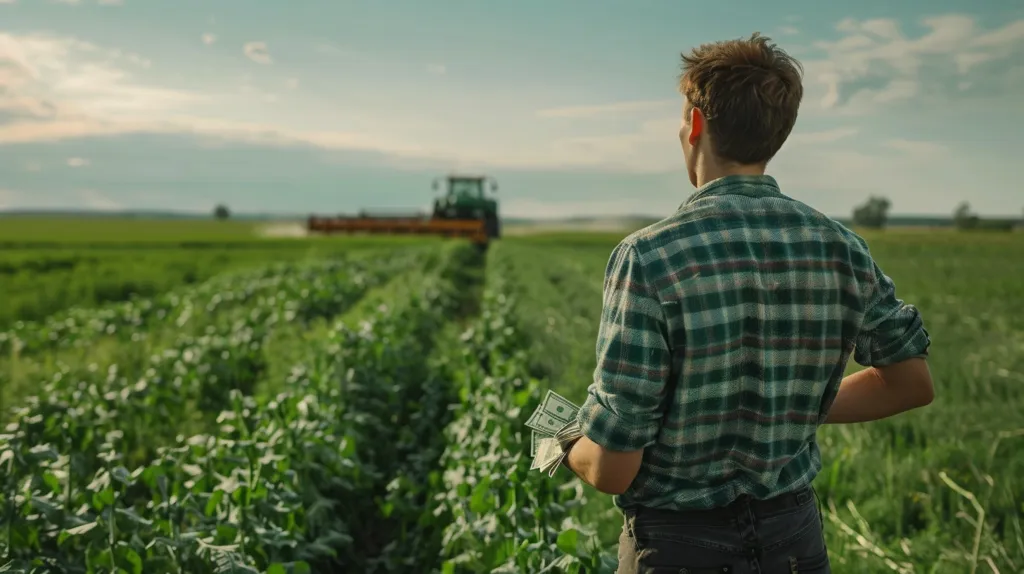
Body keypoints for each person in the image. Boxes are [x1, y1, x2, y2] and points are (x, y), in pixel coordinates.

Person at [561, 33, 934, 573]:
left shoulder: (647, 256)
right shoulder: (841, 248)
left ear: (694, 126)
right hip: (796, 541)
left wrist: (565, 443)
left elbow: (614, 468)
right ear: (777, 134)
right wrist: (780, 406)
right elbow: (911, 382)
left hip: (678, 546)